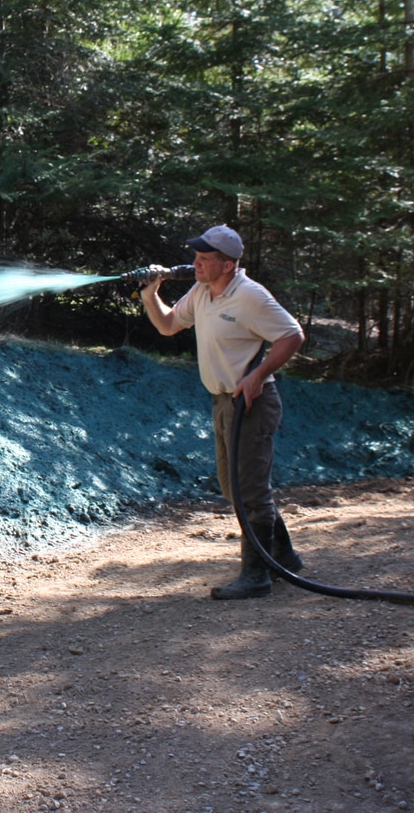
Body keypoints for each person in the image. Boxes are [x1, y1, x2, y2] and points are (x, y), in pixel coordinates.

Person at [139, 224, 306, 600]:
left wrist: (259, 375)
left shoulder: (250, 297)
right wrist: (152, 294)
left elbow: (292, 335)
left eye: (204, 259)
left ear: (228, 265)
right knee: (235, 489)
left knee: (250, 491)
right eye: (195, 256)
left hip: (252, 403)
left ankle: (256, 576)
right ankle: (284, 556)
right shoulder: (202, 293)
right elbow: (167, 326)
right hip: (221, 401)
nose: (195, 263)